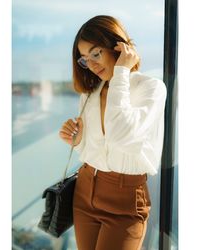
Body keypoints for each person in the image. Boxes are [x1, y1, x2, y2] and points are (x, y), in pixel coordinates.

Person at [59, 15, 167, 250]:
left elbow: (120, 134)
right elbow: (95, 149)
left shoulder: (151, 88)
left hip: (125, 199)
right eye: (85, 60)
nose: (92, 64)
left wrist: (121, 73)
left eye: (96, 53)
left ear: (118, 47)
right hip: (84, 190)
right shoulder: (89, 94)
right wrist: (77, 141)